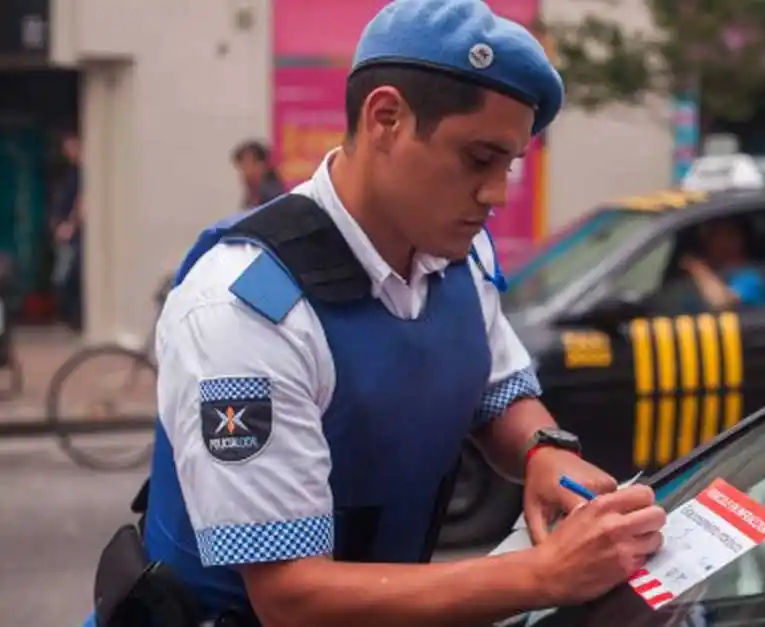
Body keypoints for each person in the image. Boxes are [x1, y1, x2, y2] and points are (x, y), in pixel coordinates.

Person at [85, 2, 667, 626]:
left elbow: (496, 388)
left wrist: (542, 450)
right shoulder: (245, 310)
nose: (497, 193)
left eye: (509, 164)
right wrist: (544, 575)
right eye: (479, 159)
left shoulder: (457, 256)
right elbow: (290, 597)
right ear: (386, 118)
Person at [679, 216, 765, 311]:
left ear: (742, 240)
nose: (722, 241)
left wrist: (696, 267)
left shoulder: (751, 278)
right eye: (715, 235)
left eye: (730, 234)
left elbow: (721, 303)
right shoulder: (707, 277)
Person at [49, 129, 83, 331]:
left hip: (75, 234)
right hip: (67, 232)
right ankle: (70, 317)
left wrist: (70, 225)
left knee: (69, 275)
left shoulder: (85, 173)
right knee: (62, 276)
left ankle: (74, 318)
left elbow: (83, 202)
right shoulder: (71, 174)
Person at [230, 140, 286, 210]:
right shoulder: (249, 199)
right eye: (242, 168)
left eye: (247, 166)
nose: (244, 174)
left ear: (262, 165)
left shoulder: (273, 198)